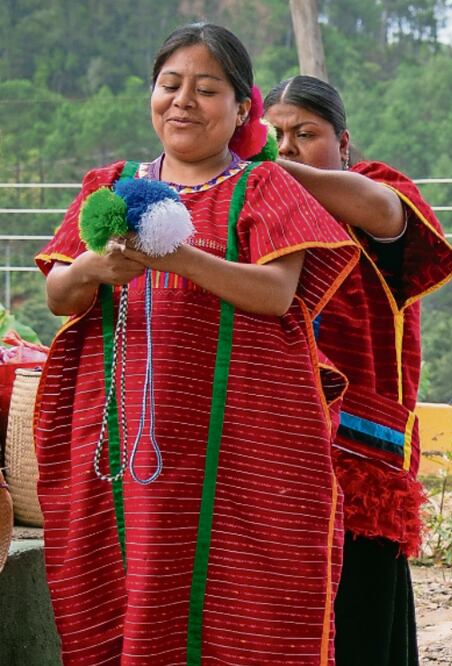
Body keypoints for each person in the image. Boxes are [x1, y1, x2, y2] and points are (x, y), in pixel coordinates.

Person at [35, 24, 359, 664]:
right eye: (170, 85)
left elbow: (275, 294)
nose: (183, 101)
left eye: (206, 89)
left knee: (245, 598)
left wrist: (176, 258)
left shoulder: (265, 187)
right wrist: (95, 269)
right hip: (124, 444)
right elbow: (60, 296)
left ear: (242, 111)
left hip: (239, 446)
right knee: (130, 581)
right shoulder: (110, 186)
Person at [264, 76, 452, 666]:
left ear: (344, 144)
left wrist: (260, 166)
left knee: (360, 623)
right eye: (274, 135)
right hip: (280, 440)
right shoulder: (256, 210)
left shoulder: (377, 189)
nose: (288, 147)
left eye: (306, 133)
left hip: (362, 458)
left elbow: (382, 213)